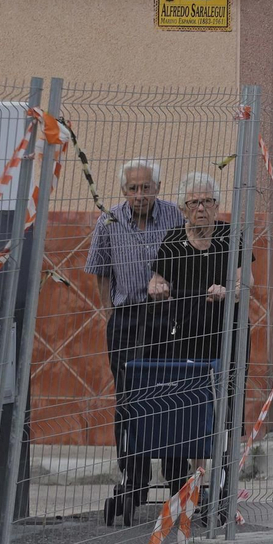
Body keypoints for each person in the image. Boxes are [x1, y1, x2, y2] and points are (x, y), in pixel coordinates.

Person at [84, 158, 182, 509]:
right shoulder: (109, 219)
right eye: (133, 188)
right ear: (124, 190)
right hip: (126, 319)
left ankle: (177, 475)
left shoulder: (174, 216)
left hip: (166, 317)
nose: (139, 195)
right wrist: (110, 312)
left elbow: (187, 260)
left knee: (171, 392)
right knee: (128, 398)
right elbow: (100, 269)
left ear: (157, 188)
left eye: (146, 188)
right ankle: (134, 479)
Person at [149, 173, 240, 505]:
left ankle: (221, 479)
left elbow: (248, 283)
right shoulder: (173, 239)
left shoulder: (231, 237)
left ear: (216, 207)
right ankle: (195, 481)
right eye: (193, 203)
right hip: (182, 338)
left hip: (223, 338)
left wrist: (228, 289)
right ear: (184, 209)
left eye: (207, 202)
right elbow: (155, 283)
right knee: (187, 411)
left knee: (222, 410)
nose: (201, 208)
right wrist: (158, 288)